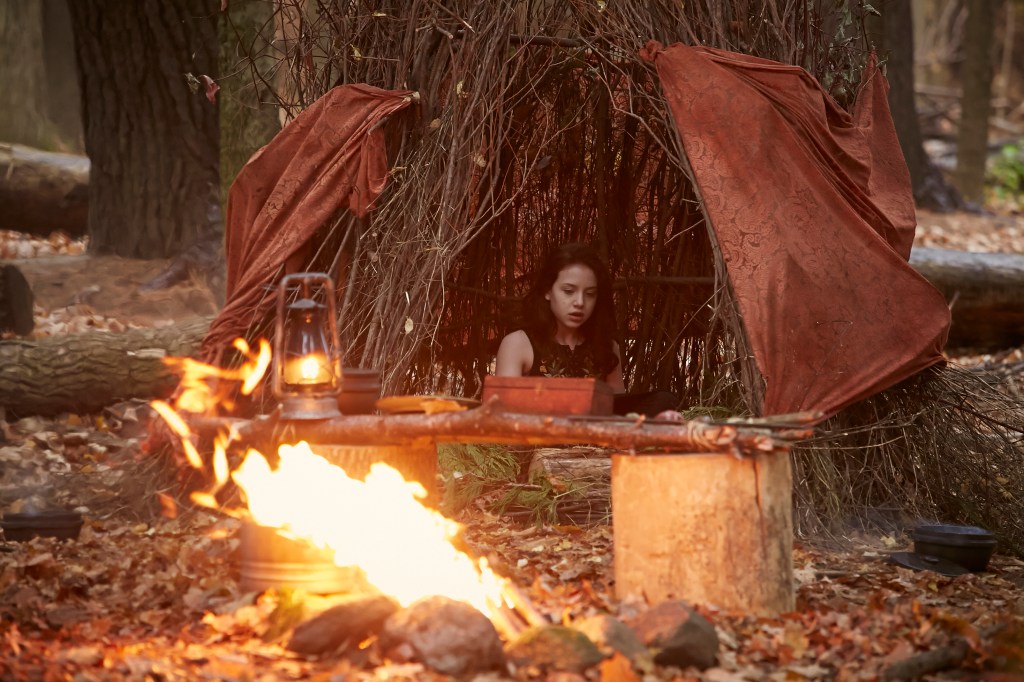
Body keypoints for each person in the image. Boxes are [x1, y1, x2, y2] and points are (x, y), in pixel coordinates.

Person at [495, 243, 678, 417]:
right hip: (537, 433)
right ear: (547, 291)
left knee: (663, 401)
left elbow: (618, 410)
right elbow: (502, 415)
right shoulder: (518, 344)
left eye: (590, 294)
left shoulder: (607, 347)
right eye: (569, 291)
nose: (580, 302)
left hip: (597, 433)